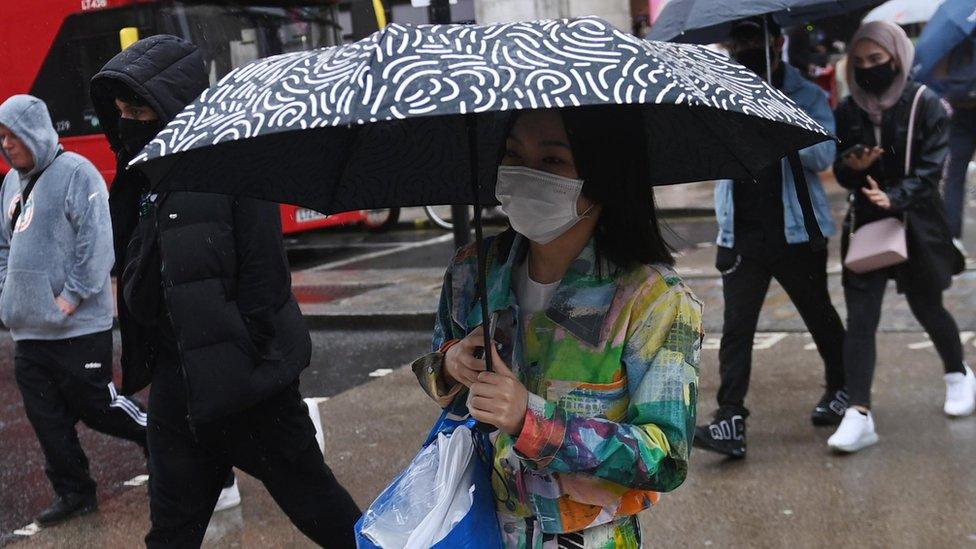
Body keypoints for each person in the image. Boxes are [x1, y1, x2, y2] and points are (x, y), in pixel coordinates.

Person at [89, 35, 361, 547]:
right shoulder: (141, 176)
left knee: (322, 510)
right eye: (121, 109)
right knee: (171, 531)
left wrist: (256, 357)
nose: (127, 119)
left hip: (249, 385)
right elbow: (139, 277)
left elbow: (263, 274)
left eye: (138, 107)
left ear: (173, 103)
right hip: (178, 388)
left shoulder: (233, 164)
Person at [410, 105, 703, 548]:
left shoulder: (654, 298)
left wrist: (531, 421)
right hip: (475, 526)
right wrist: (450, 365)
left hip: (587, 536)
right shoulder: (473, 271)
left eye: (551, 160)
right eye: (513, 155)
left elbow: (664, 457)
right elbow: (440, 382)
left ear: (603, 173)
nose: (525, 175)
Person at [694, 19, 847, 459]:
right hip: (740, 233)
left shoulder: (805, 94)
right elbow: (709, 155)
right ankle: (730, 419)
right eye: (736, 40)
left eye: (751, 39)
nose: (744, 47)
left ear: (777, 42)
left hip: (796, 232)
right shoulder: (723, 91)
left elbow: (824, 154)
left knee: (819, 315)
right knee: (737, 329)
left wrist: (779, 121)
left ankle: (842, 387)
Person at [0, 95, 147, 526]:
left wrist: (73, 295)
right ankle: (74, 492)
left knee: (98, 405)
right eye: (2, 137)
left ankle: (158, 435)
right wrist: (7, 293)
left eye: (13, 136)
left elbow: (98, 243)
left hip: (78, 327)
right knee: (47, 421)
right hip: (28, 332)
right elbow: (3, 247)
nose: (7, 145)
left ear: (36, 133)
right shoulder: (9, 183)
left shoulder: (78, 173)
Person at [828, 21, 974, 453]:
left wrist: (896, 197)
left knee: (928, 306)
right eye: (861, 62)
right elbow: (839, 168)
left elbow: (934, 171)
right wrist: (854, 167)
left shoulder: (925, 104)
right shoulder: (849, 108)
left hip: (917, 224)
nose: (871, 69)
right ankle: (858, 413)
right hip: (868, 225)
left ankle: (958, 374)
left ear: (897, 55)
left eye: (878, 60)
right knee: (861, 317)